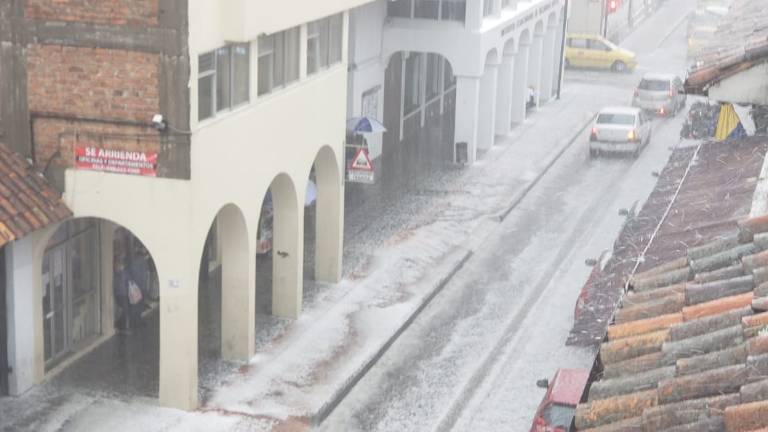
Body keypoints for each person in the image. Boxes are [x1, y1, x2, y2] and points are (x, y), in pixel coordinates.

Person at [114, 254, 142, 333]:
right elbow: (126, 280)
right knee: (126, 311)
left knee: (126, 310)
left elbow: (127, 280)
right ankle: (125, 328)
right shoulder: (121, 273)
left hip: (122, 294)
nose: (120, 265)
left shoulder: (120, 273)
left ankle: (121, 325)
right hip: (122, 294)